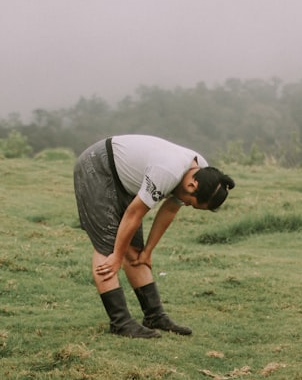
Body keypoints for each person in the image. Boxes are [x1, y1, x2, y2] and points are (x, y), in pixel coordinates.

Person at [73, 135, 235, 338]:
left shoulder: (202, 171)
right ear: (192, 186)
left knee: (134, 251)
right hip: (97, 167)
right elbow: (134, 214)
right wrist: (116, 255)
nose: (188, 205)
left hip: (123, 180)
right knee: (107, 247)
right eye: (192, 203)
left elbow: (169, 209)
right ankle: (120, 323)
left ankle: (154, 316)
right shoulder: (167, 172)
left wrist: (148, 251)